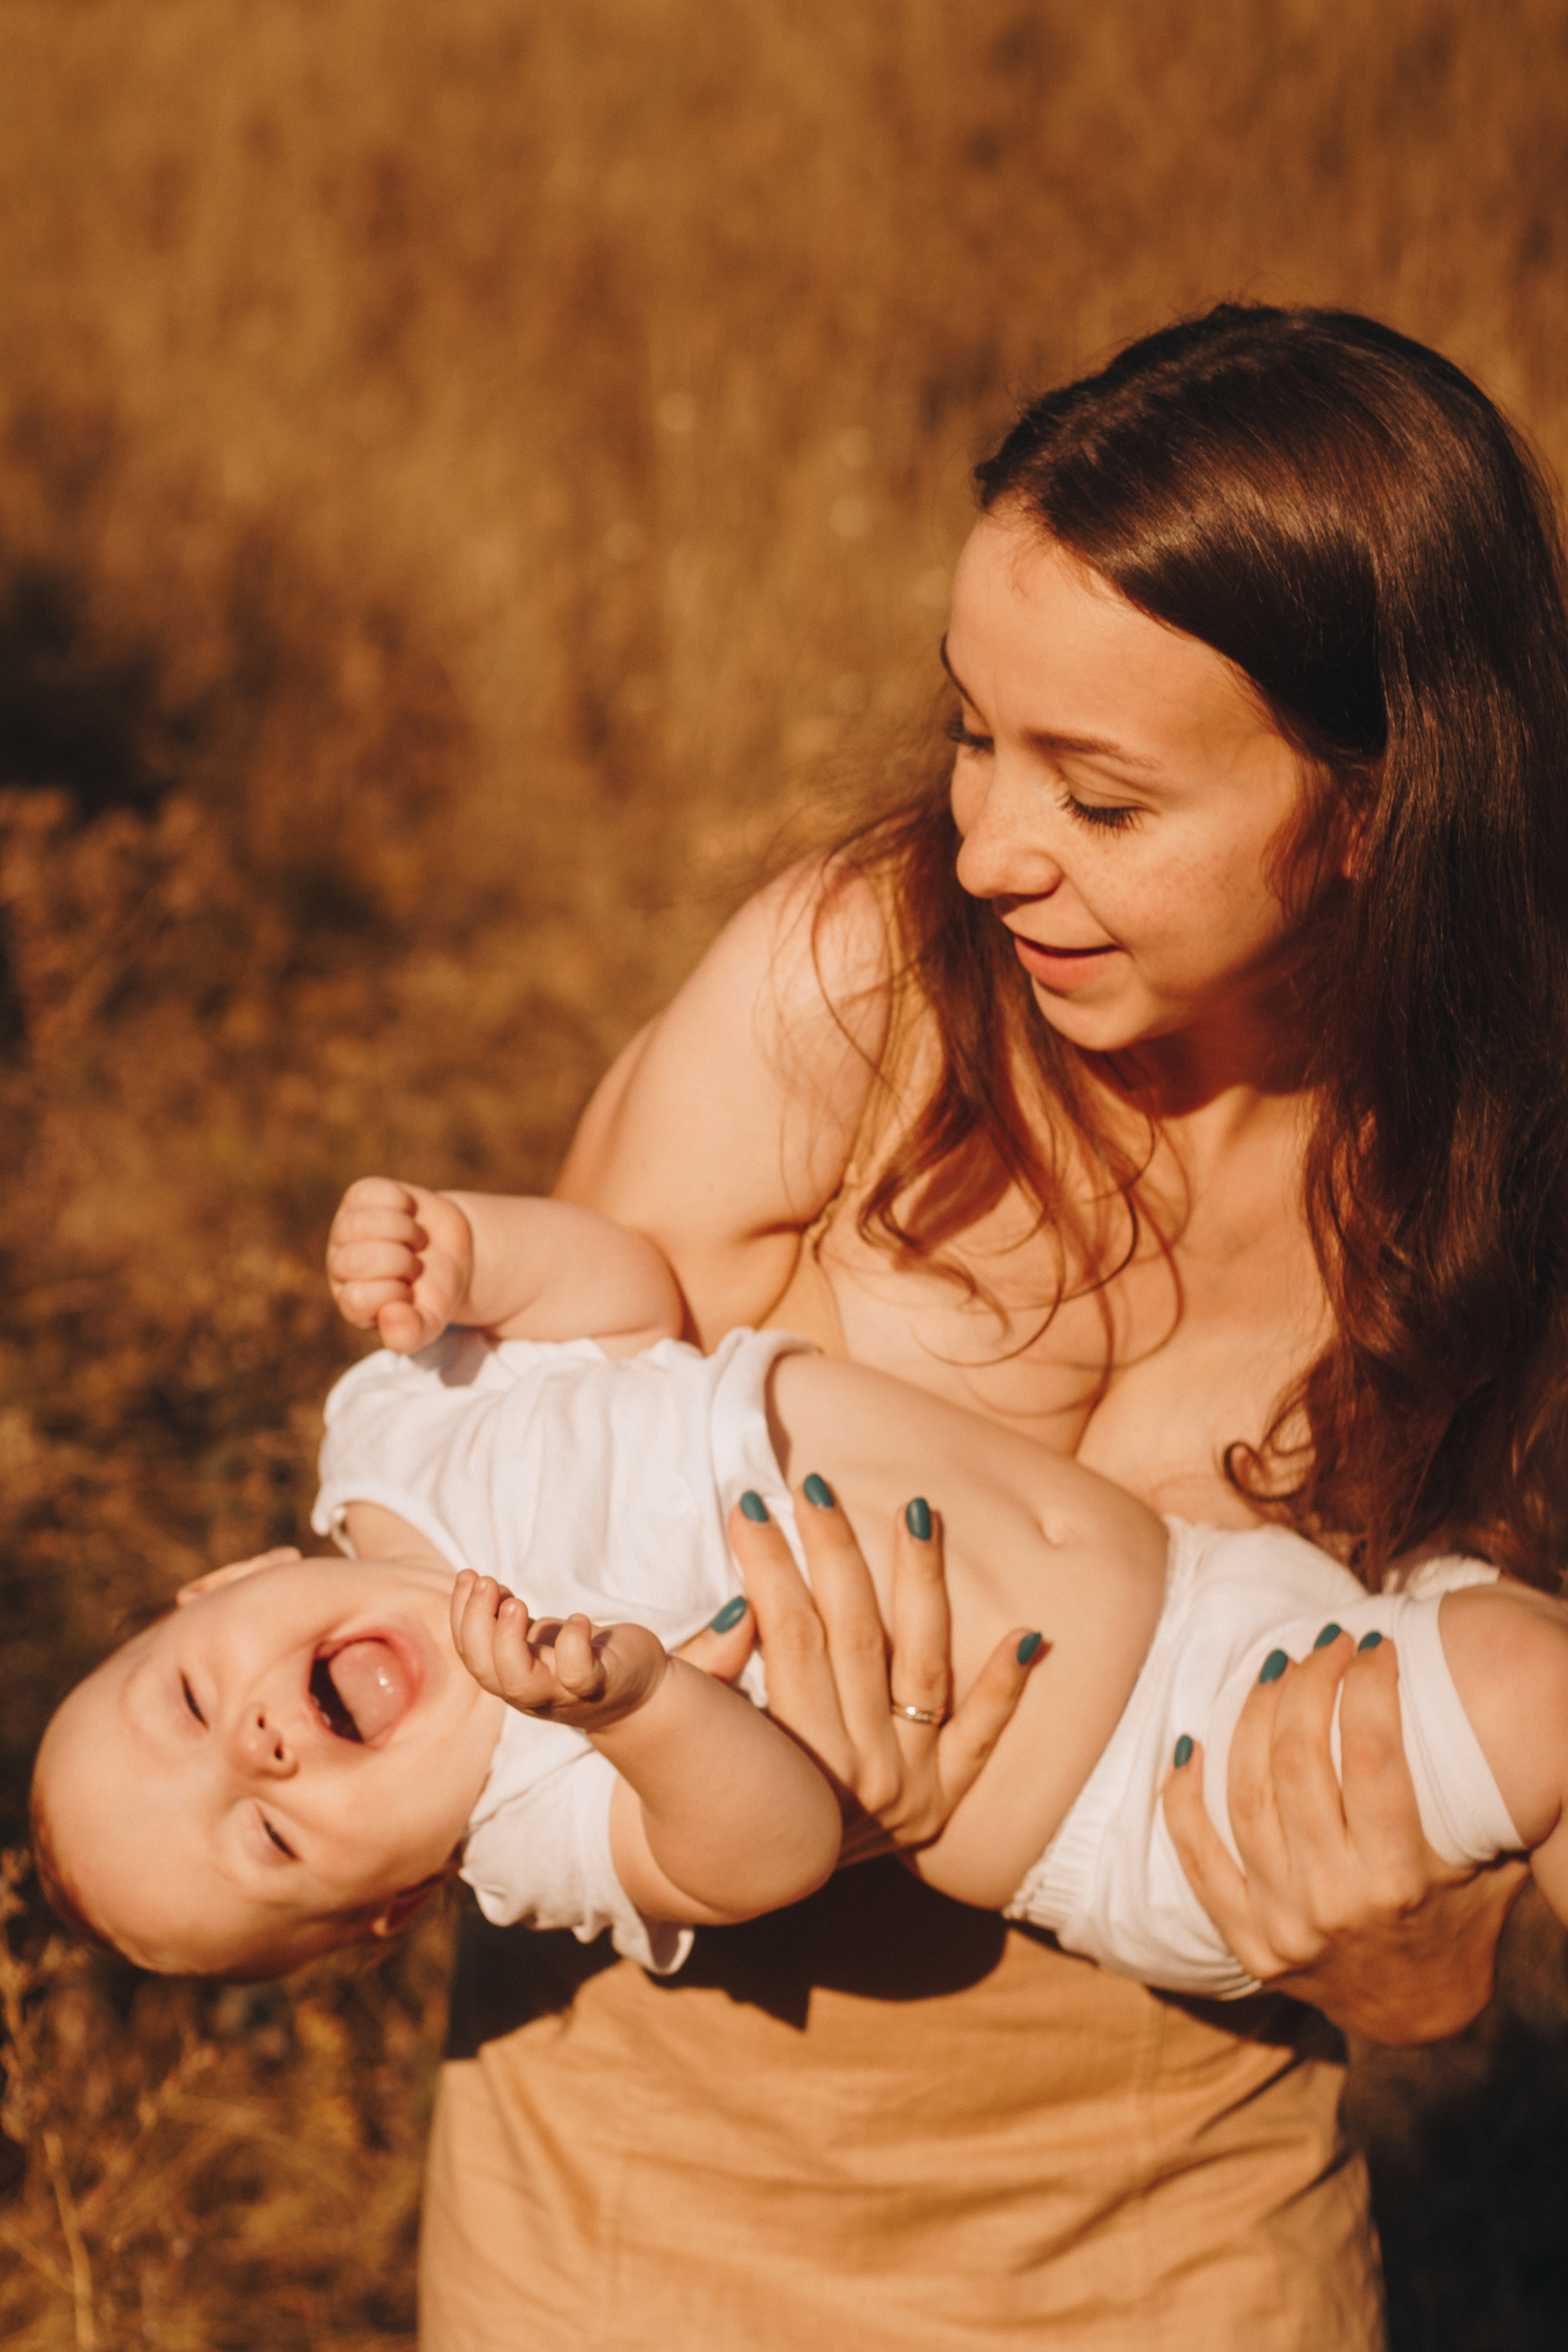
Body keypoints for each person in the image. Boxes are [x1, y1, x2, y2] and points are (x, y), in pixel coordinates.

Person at [416, 303, 1568, 2351]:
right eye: (972, 732)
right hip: (630, 2220)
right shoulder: (847, 994)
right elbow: (466, 1529)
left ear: (1381, 806)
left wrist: (1421, 1963)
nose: (985, 845)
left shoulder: (1506, 1192)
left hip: (1178, 2247)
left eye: (1105, 802)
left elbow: (1509, 1790)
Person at [36, 1175, 1562, 1994]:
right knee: (1536, 1701)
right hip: (1160, 1785)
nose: (261, 1743)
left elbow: (622, 1302)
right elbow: (759, 1853)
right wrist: (639, 1707)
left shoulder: (392, 1427)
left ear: (226, 1577)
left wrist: (467, 1246)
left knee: (1521, 1619)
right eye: (268, 1836)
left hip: (1215, 1574)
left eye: (188, 1703)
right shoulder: (526, 1816)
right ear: (384, 1912)